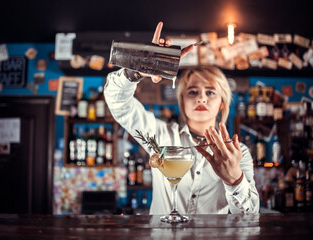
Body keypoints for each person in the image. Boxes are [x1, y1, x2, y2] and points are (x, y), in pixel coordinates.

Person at [104, 22, 259, 214]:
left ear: (222, 103)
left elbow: (250, 216)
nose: (201, 97)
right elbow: (118, 104)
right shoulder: (159, 136)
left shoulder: (237, 152)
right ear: (182, 101)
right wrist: (140, 67)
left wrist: (234, 180)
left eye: (210, 93)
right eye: (193, 92)